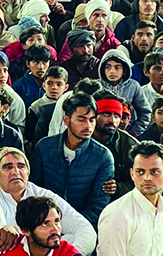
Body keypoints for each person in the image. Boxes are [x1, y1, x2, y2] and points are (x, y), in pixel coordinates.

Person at [96, 141, 163, 256]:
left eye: (154, 172)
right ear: (132, 174)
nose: (147, 178)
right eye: (140, 172)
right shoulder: (118, 214)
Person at [29, 92, 114, 224]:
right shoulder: (44, 148)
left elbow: (98, 204)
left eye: (92, 120)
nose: (88, 126)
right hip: (44, 221)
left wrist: (72, 225)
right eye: (81, 119)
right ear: (66, 120)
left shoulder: (103, 156)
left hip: (83, 225)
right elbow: (33, 189)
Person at [0, 193, 85, 256]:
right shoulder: (5, 247)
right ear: (26, 231)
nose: (55, 230)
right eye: (45, 224)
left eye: (57, 221)